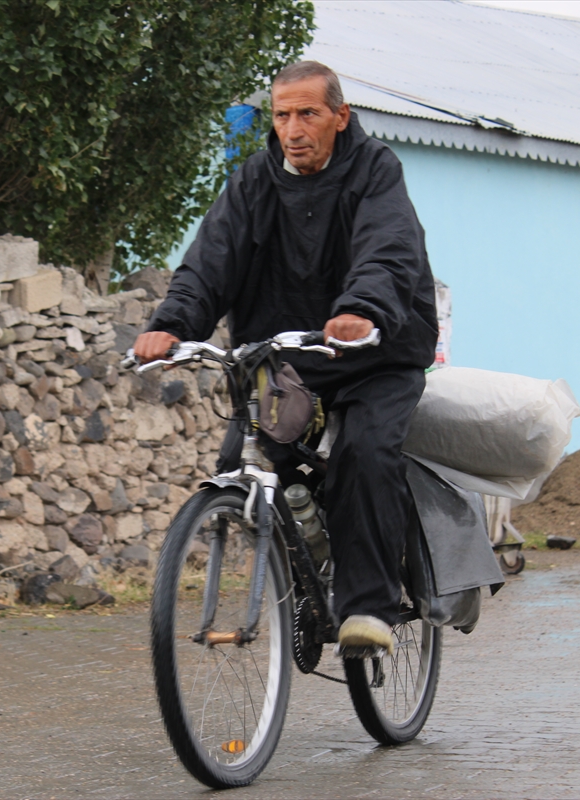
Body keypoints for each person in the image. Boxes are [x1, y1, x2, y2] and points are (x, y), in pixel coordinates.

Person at [134, 61, 438, 653]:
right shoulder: (254, 182)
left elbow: (388, 246)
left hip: (374, 351)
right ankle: (302, 574)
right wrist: (172, 325)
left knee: (366, 452)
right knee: (244, 456)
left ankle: (368, 608)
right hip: (288, 356)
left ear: (340, 117)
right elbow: (209, 261)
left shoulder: (375, 170)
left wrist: (364, 308)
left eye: (308, 114)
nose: (293, 129)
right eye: (282, 116)